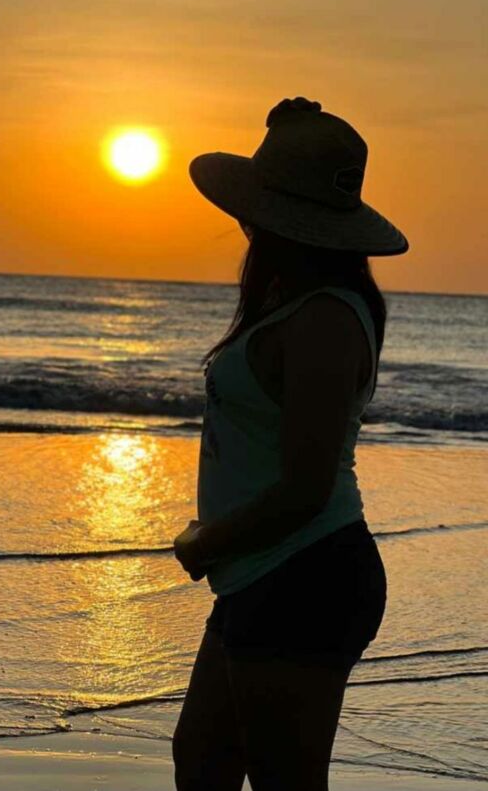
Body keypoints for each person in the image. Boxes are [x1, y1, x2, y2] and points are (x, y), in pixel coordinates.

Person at [171, 96, 410, 791]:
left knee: (284, 781)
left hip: (305, 573)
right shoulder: (294, 301)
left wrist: (207, 542)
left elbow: (307, 487)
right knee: (202, 760)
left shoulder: (324, 319)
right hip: (265, 572)